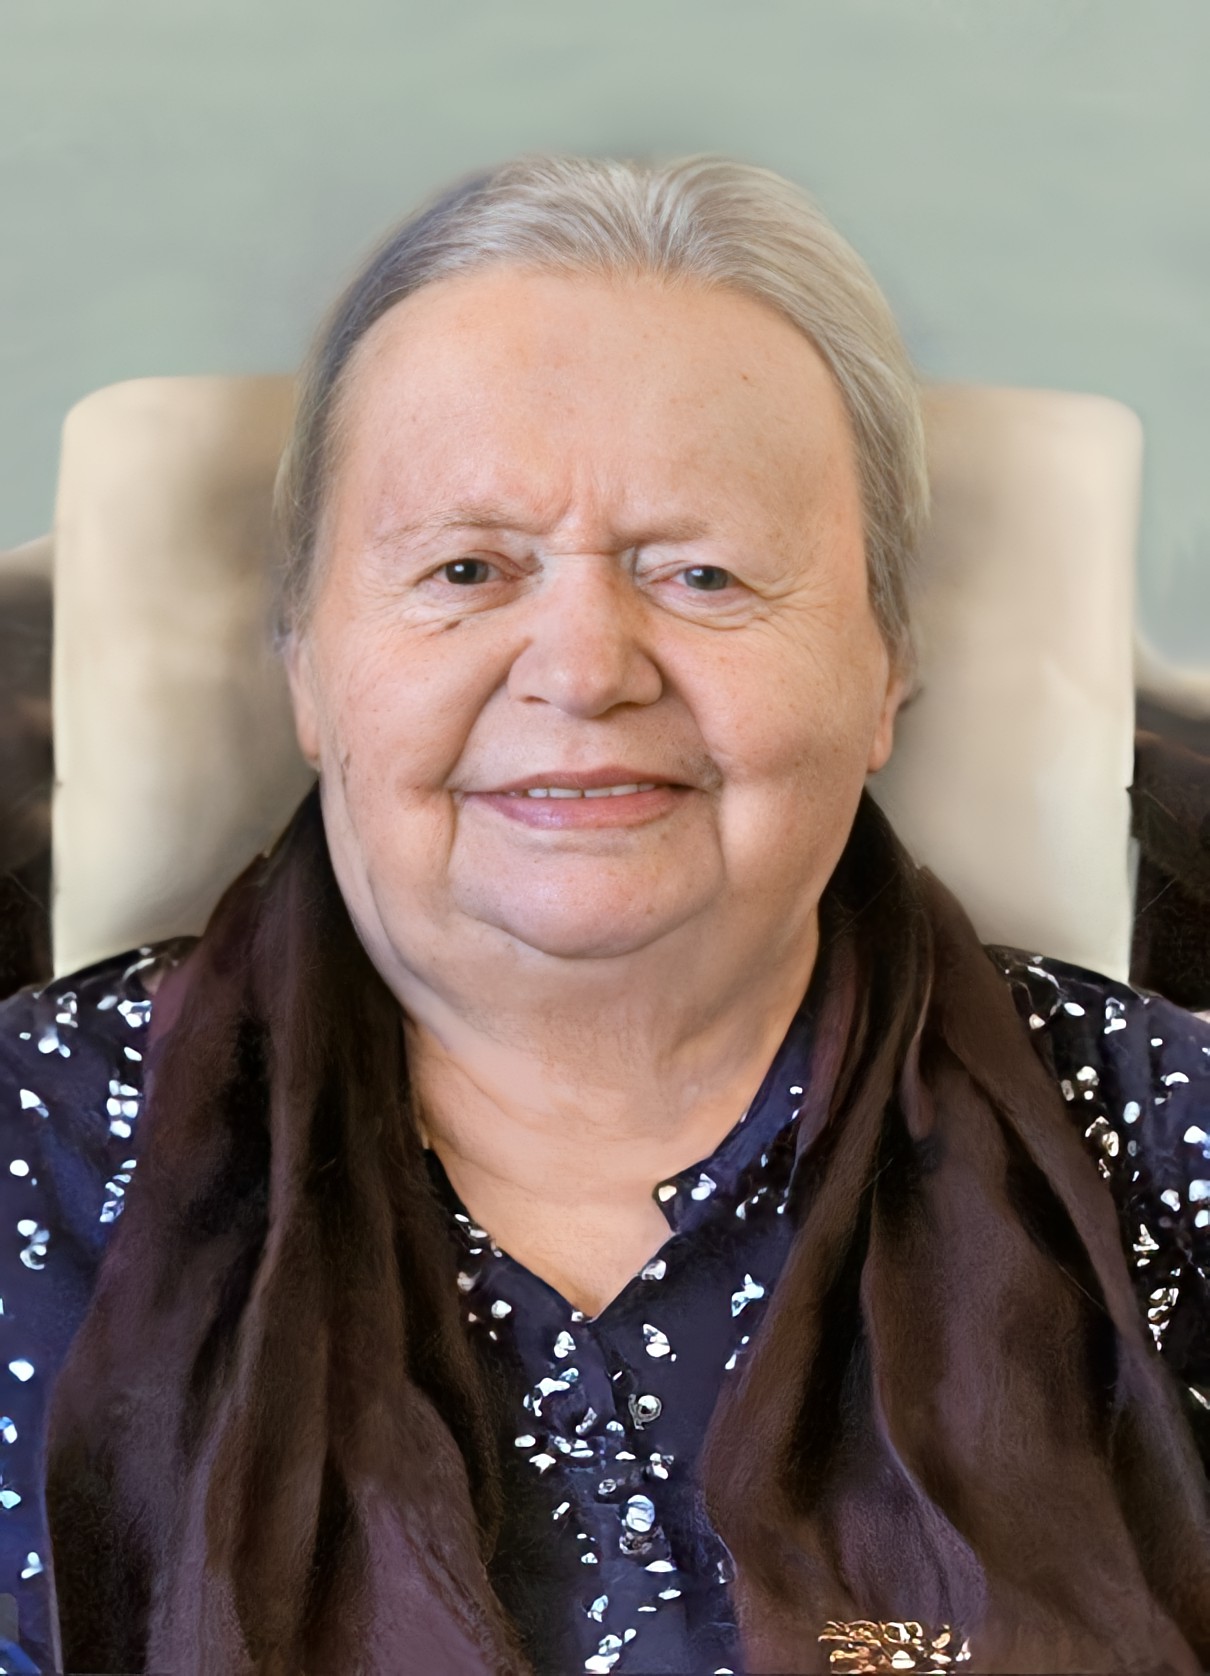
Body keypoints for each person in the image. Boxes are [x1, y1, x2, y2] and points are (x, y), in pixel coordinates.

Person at [1, 154, 1208, 1676]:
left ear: (884, 666)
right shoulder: (29, 1150)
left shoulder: (1171, 1145)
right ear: (308, 664)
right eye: (465, 568)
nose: (582, 670)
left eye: (702, 574)